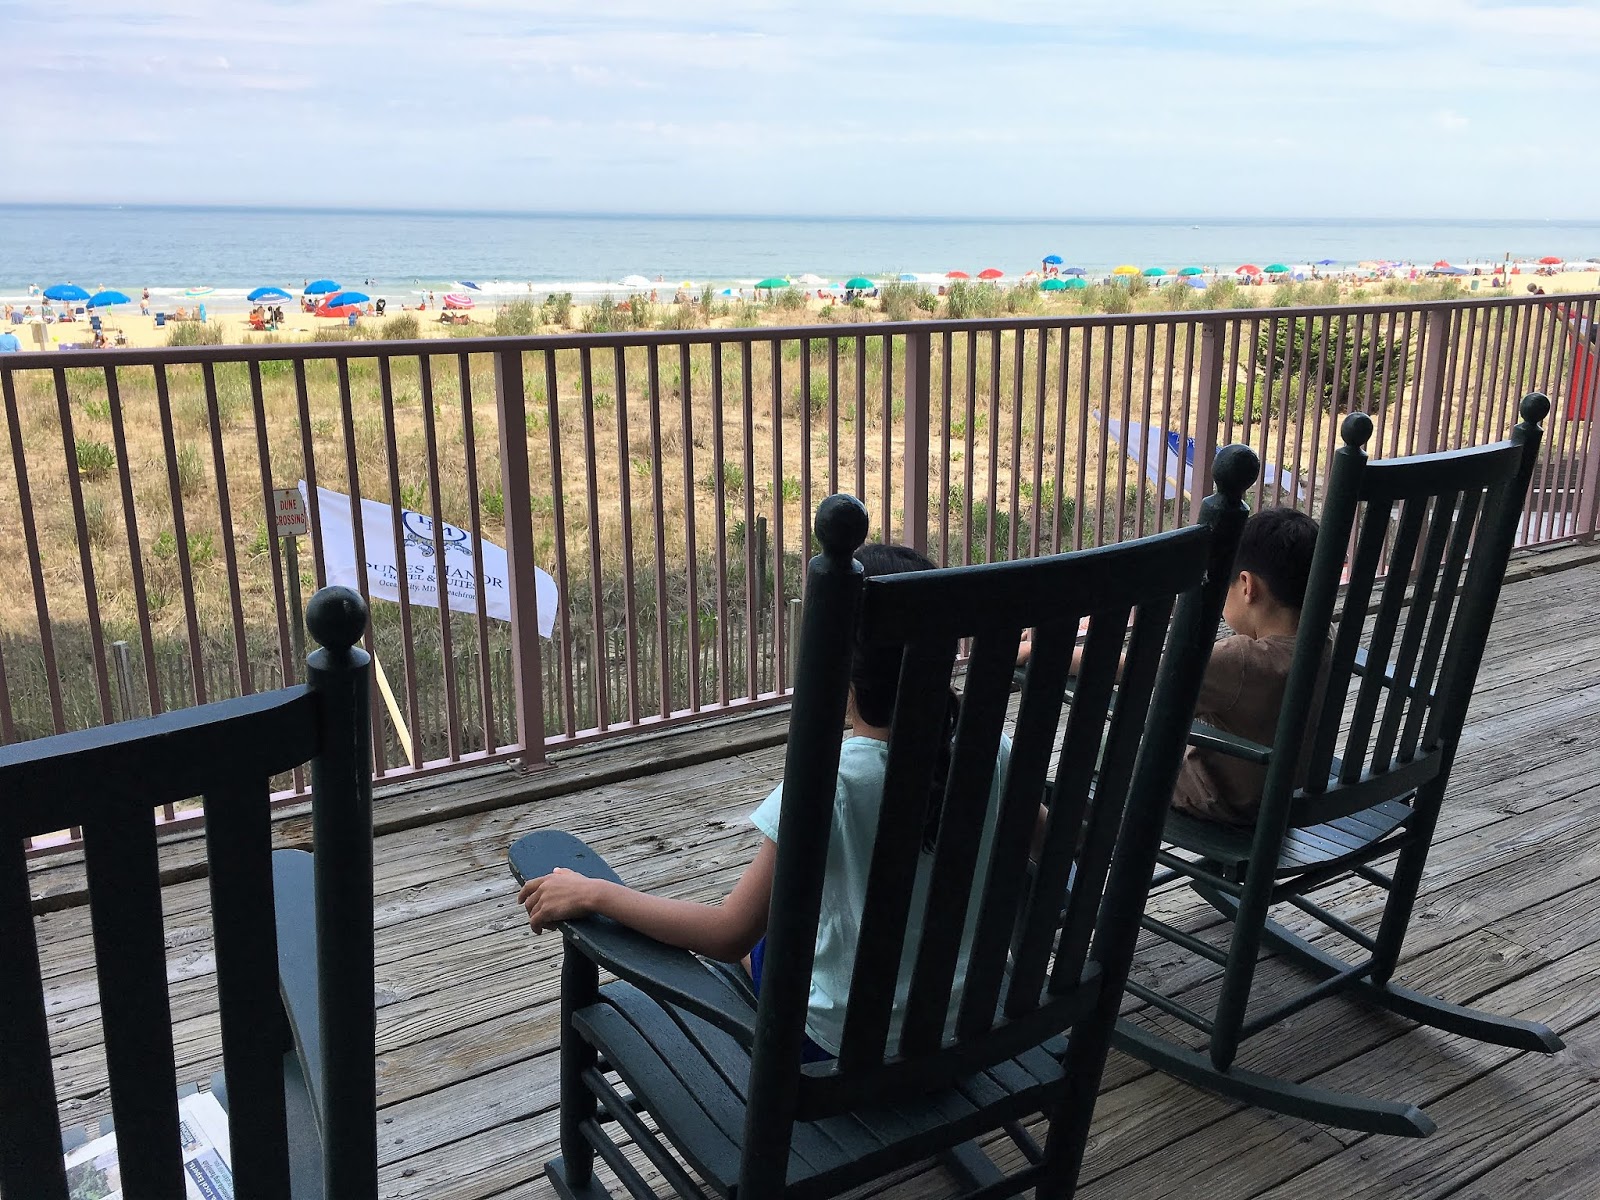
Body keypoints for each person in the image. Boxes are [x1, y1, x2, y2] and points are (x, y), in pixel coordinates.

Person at [519, 543, 1028, 1062]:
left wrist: (595, 894)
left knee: (758, 935)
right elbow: (1045, 836)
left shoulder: (830, 787)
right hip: (963, 1028)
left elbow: (724, 933)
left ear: (839, 670)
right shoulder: (994, 753)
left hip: (837, 1049)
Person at [1173, 507, 1322, 826]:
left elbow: (1148, 671)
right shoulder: (1324, 639)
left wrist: (1039, 651)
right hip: (1285, 791)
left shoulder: (1241, 660)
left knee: (1108, 751)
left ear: (1246, 585)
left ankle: (1073, 844)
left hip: (1222, 801)